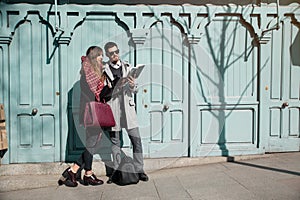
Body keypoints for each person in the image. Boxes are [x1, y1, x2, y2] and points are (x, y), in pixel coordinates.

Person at [101, 42, 148, 184]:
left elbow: (135, 90)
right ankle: (116, 172)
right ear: (107, 55)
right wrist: (115, 86)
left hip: (128, 109)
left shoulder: (127, 67)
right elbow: (103, 92)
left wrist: (133, 85)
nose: (115, 55)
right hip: (113, 109)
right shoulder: (104, 70)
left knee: (136, 140)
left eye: (116, 51)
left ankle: (140, 170)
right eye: (111, 53)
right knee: (115, 143)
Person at [58, 46, 105, 187]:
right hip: (91, 113)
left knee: (91, 144)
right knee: (91, 144)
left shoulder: (91, 73)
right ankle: (78, 171)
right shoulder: (89, 74)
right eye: (100, 55)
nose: (102, 58)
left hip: (91, 112)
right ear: (95, 56)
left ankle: (82, 172)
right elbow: (97, 94)